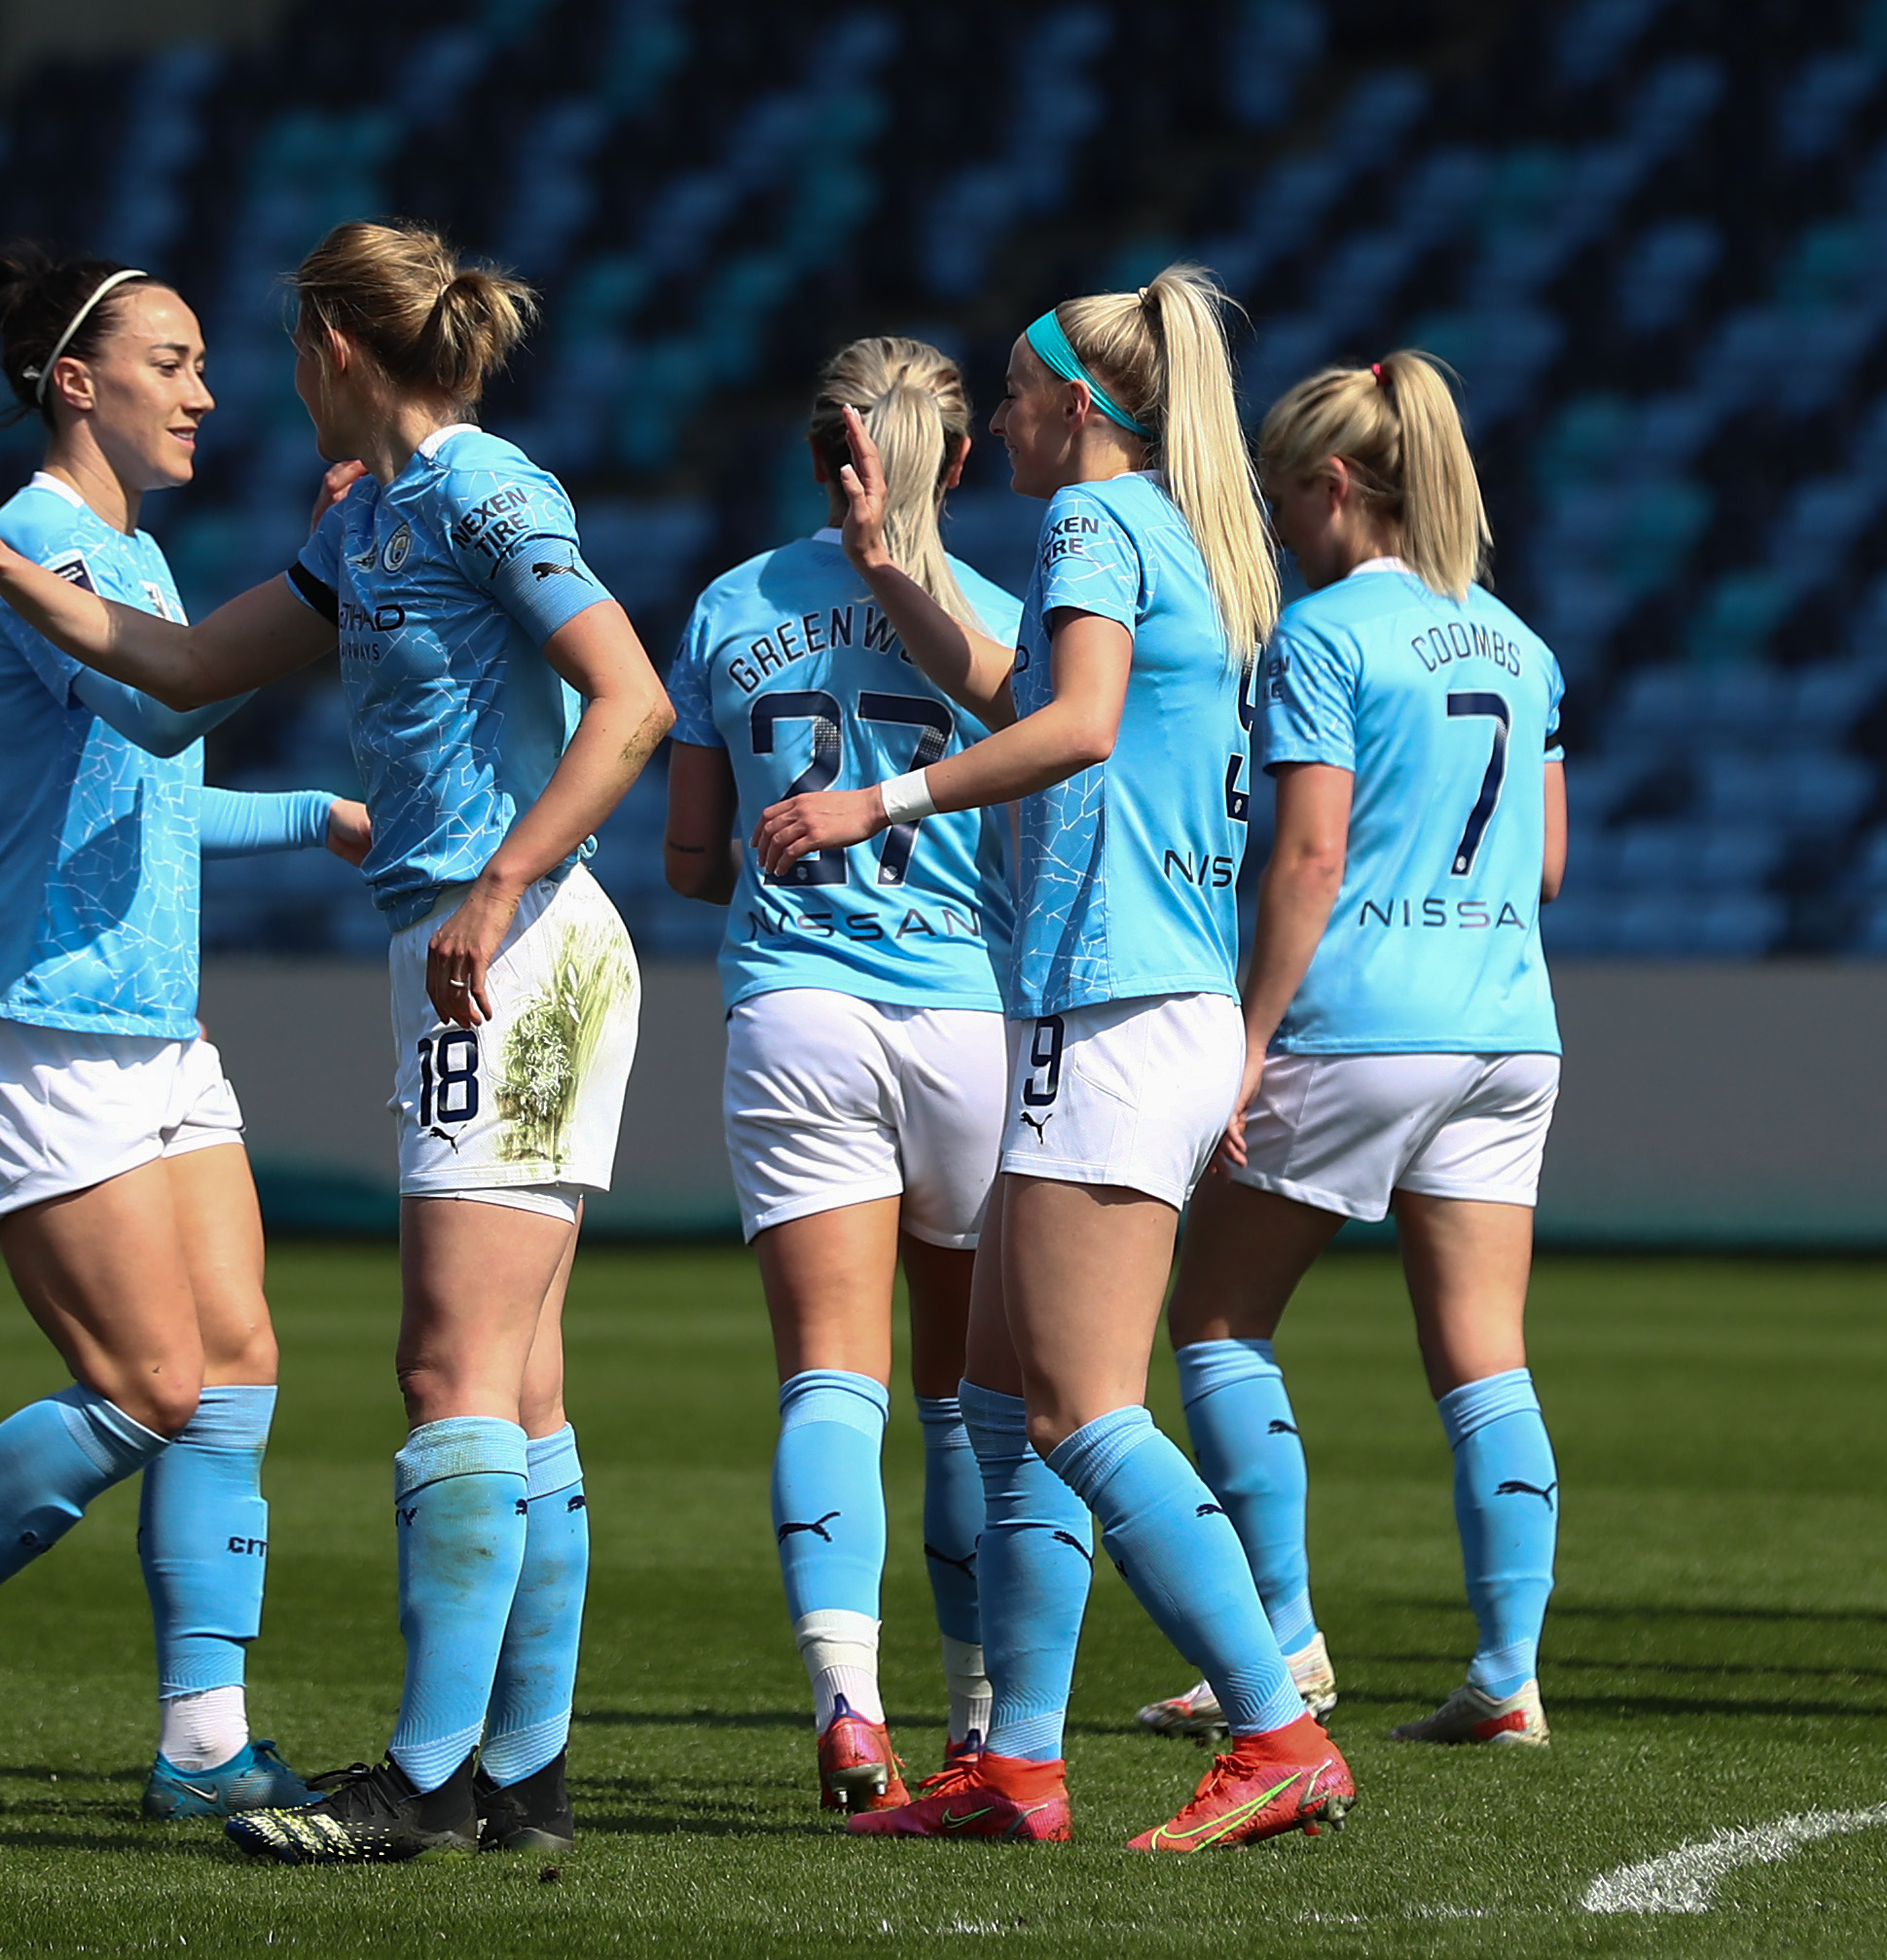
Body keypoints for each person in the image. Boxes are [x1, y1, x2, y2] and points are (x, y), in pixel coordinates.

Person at [0, 218, 673, 1863]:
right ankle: (519, 1778)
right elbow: (176, 674)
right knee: (517, 1380)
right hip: (481, 950)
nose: (241, 388)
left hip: (514, 954)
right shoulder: (379, 521)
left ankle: (416, 1777)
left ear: (333, 345)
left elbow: (631, 699)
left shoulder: (482, 487)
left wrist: (496, 888)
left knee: (446, 1366)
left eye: (265, 351)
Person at [756, 266, 1358, 1851]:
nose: (1000, 416)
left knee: (1085, 1409)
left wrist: (876, 803)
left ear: (1077, 407)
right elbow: (1030, 694)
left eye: (1016, 394)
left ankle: (1276, 1724)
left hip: (1108, 1008)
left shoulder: (1093, 522)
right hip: (1118, 1005)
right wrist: (894, 575)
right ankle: (1017, 1760)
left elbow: (1075, 726)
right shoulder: (1179, 532)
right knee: (1007, 1394)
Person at [0, 246, 369, 1825]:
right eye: (168, 360)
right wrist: (313, 582)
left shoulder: (130, 554)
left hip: (152, 1032)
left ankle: (200, 1741)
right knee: (149, 1382)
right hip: (32, 1025)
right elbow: (166, 711)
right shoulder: (41, 540)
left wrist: (318, 813)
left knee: (239, 1363)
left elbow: (156, 793)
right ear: (73, 382)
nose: (202, 390)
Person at [1140, 349, 1566, 1750]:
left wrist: (1246, 1040)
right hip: (1507, 1026)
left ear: (1333, 484)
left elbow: (1310, 851)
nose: (1276, 528)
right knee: (1485, 1358)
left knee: (1214, 1321)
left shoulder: (1325, 636)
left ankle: (1284, 1641)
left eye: (1278, 498)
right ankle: (1507, 1672)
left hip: (1362, 1017)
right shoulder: (1521, 643)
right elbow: (1549, 861)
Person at [662, 337, 1020, 1813]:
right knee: (964, 1398)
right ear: (959, 462)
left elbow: (691, 861)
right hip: (968, 1020)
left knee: (830, 1373)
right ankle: (983, 1711)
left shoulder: (730, 604)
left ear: (823, 459)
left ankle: (848, 1707)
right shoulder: (1002, 621)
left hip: (797, 1012)